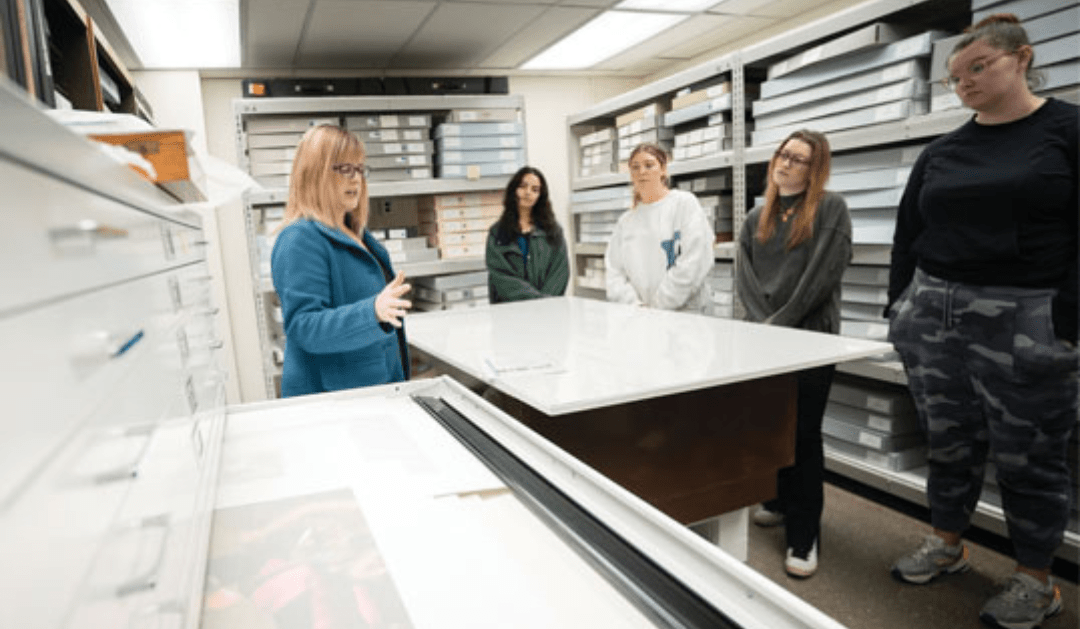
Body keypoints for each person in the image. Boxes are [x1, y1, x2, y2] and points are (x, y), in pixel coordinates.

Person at [885, 14, 1077, 629]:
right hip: (936, 310)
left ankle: (1036, 580)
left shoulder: (1068, 131)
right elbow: (908, 232)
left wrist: (1068, 317)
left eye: (977, 68)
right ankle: (946, 544)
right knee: (948, 440)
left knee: (1030, 453)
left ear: (1020, 59)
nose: (963, 83)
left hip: (1027, 315)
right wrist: (899, 307)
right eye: (954, 77)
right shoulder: (945, 149)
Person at [737, 130, 852, 579]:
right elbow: (745, 277)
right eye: (782, 154)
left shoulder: (830, 210)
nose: (785, 163)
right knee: (770, 424)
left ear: (815, 167)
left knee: (803, 435)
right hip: (764, 338)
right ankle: (780, 500)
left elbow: (821, 279)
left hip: (809, 340)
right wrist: (765, 328)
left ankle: (804, 538)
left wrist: (778, 327)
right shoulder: (756, 215)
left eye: (798, 159)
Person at [270, 125, 412, 397]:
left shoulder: (357, 234)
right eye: (344, 169)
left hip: (374, 390)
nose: (356, 179)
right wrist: (372, 312)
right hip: (333, 400)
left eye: (359, 169)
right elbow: (304, 326)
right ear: (315, 172)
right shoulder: (299, 238)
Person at [604, 143, 714, 310]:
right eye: (635, 167)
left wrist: (658, 307)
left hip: (686, 318)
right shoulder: (625, 222)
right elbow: (614, 274)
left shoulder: (684, 204)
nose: (642, 172)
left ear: (663, 169)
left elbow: (693, 262)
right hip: (638, 319)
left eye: (649, 165)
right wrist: (637, 307)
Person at [485, 166, 570, 303]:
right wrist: (535, 300)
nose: (528, 193)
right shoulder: (497, 233)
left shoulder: (553, 231)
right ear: (514, 190)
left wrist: (543, 303)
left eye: (535, 190)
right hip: (510, 314)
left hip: (547, 313)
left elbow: (560, 273)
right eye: (523, 187)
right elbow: (500, 276)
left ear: (540, 196)